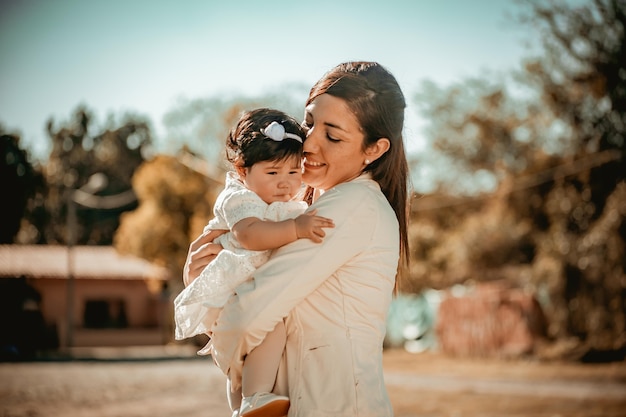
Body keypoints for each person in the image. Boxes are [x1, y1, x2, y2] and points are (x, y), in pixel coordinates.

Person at [183, 61, 410, 416]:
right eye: (309, 123)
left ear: (374, 149)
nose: (309, 143)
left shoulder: (351, 206)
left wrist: (212, 307)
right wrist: (207, 276)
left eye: (332, 136)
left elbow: (247, 316)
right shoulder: (298, 206)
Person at [174, 108, 335, 417]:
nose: (286, 184)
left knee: (245, 354)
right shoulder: (239, 198)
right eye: (272, 173)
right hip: (229, 285)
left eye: (293, 172)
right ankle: (254, 396)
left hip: (244, 285)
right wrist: (295, 228)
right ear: (243, 171)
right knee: (267, 326)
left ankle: (241, 407)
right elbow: (250, 236)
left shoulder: (281, 200)